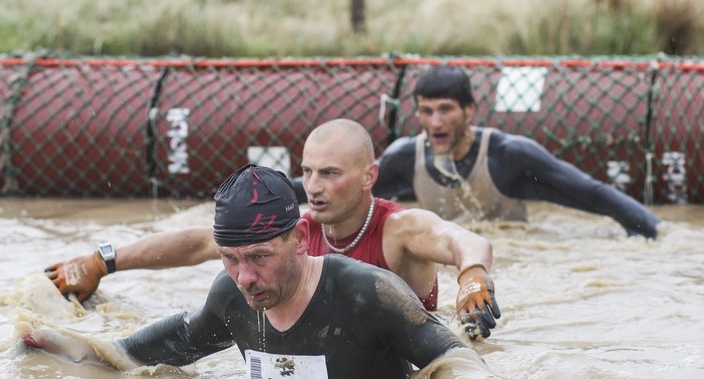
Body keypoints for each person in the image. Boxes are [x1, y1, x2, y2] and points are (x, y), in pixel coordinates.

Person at [25, 164, 474, 379]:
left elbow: (461, 363)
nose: (246, 278)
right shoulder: (230, 298)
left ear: (299, 238)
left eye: (260, 257)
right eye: (230, 259)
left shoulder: (366, 292)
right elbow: (156, 348)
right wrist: (67, 348)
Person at [46, 119, 501, 339]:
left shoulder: (398, 230)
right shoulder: (298, 228)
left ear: (368, 177)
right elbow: (200, 242)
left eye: (329, 173)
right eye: (307, 172)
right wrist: (101, 260)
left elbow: (463, 239)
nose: (313, 187)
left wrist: (472, 275)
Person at [372, 65, 661, 239]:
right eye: (426, 111)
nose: (435, 122)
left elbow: (592, 193)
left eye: (446, 109)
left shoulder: (509, 155)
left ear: (469, 110)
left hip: (513, 260)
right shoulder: (405, 157)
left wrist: (655, 233)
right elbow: (350, 195)